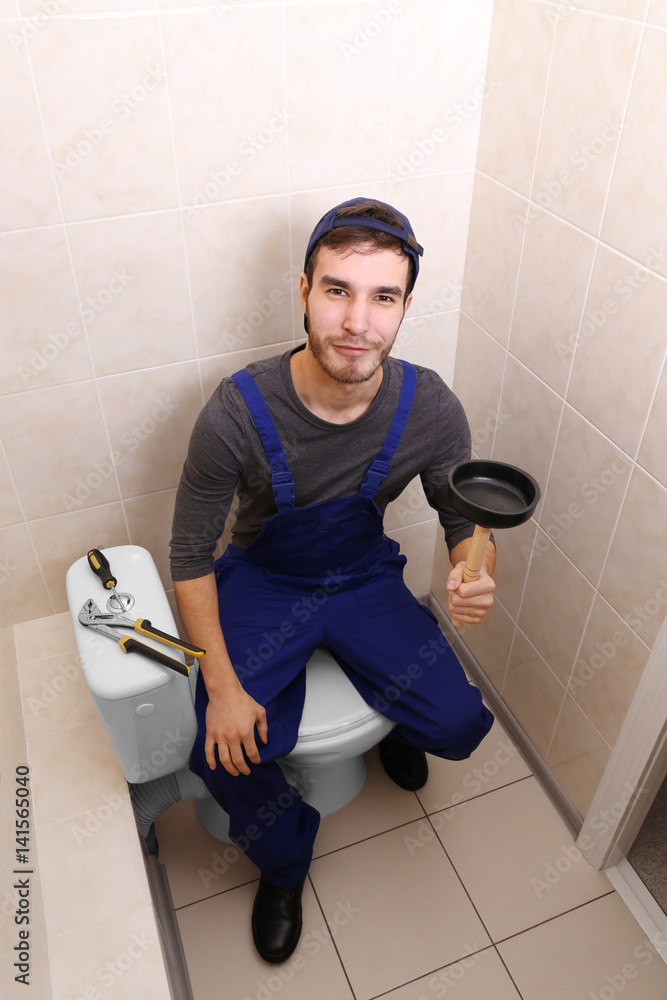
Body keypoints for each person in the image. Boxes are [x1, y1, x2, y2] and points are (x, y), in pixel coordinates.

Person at [169, 197, 496, 965]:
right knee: (218, 747)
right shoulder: (236, 412)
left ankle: (402, 723)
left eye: (383, 297)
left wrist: (474, 570)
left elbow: (464, 520)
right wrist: (220, 686)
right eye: (338, 290)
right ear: (305, 292)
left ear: (405, 306)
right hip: (265, 579)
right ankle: (284, 860)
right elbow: (187, 556)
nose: (357, 321)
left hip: (359, 577)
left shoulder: (429, 405)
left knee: (453, 723)